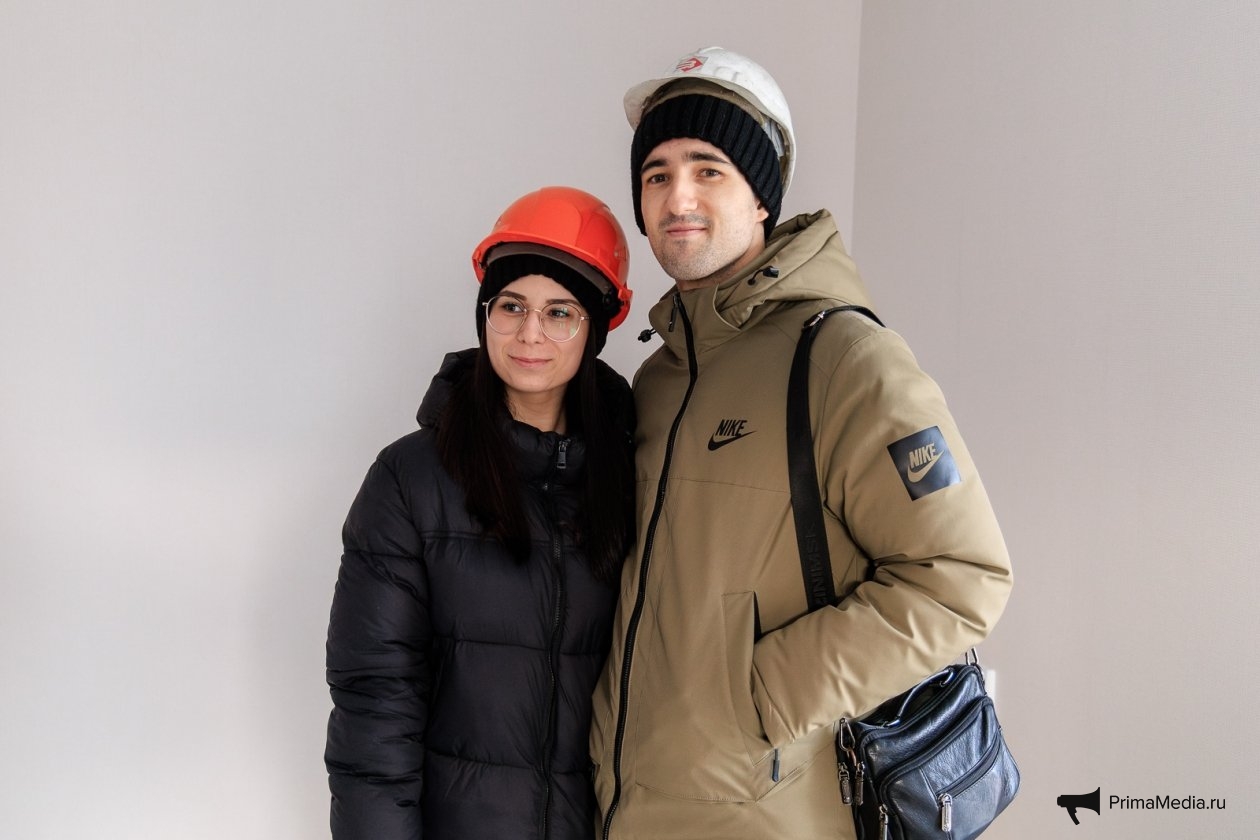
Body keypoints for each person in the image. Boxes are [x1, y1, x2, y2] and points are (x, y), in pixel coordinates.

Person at [589, 47, 1014, 839]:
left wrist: (764, 696)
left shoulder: (844, 358)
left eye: (708, 169)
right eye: (656, 174)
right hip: (631, 813)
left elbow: (961, 577)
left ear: (761, 199)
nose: (678, 196)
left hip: (773, 816)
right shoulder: (655, 380)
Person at [325, 186, 636, 840]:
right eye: (510, 306)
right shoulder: (410, 480)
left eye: (560, 312)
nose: (530, 333)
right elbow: (375, 703)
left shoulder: (633, 476)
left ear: (596, 328)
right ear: (484, 313)